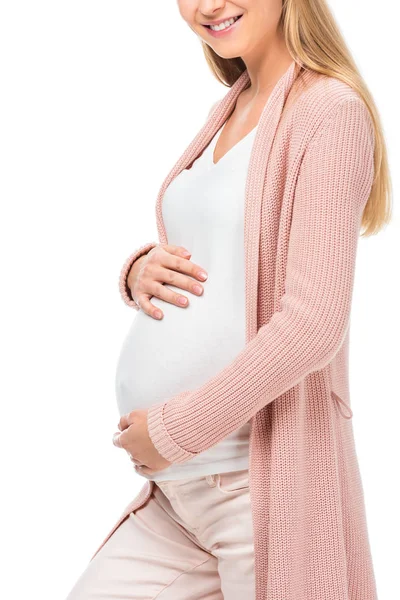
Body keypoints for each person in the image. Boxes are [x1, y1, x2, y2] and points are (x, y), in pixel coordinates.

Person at [65, 1, 391, 599]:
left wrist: (175, 429)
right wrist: (141, 270)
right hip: (179, 495)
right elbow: (217, 253)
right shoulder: (231, 105)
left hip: (253, 485)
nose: (206, 6)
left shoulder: (329, 111)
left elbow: (315, 321)